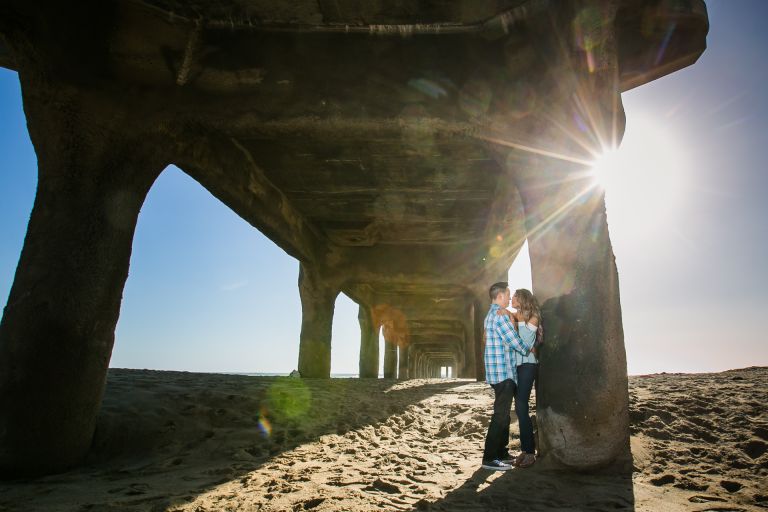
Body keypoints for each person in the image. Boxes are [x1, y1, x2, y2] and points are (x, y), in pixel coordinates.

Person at [481, 282, 537, 471]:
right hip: (503, 372)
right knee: (500, 415)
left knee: (504, 416)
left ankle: (502, 453)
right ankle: (490, 458)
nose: (509, 297)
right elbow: (515, 342)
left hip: (497, 372)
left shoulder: (491, 316)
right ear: (501, 296)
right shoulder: (500, 317)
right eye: (508, 294)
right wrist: (528, 349)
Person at [497, 288, 541, 468]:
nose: (512, 299)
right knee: (519, 407)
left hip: (528, 365)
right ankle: (525, 450)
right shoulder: (515, 315)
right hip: (515, 365)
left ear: (522, 298)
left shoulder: (534, 316)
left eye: (514, 296)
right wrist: (509, 314)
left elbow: (526, 342)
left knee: (522, 404)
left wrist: (512, 317)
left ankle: (530, 453)